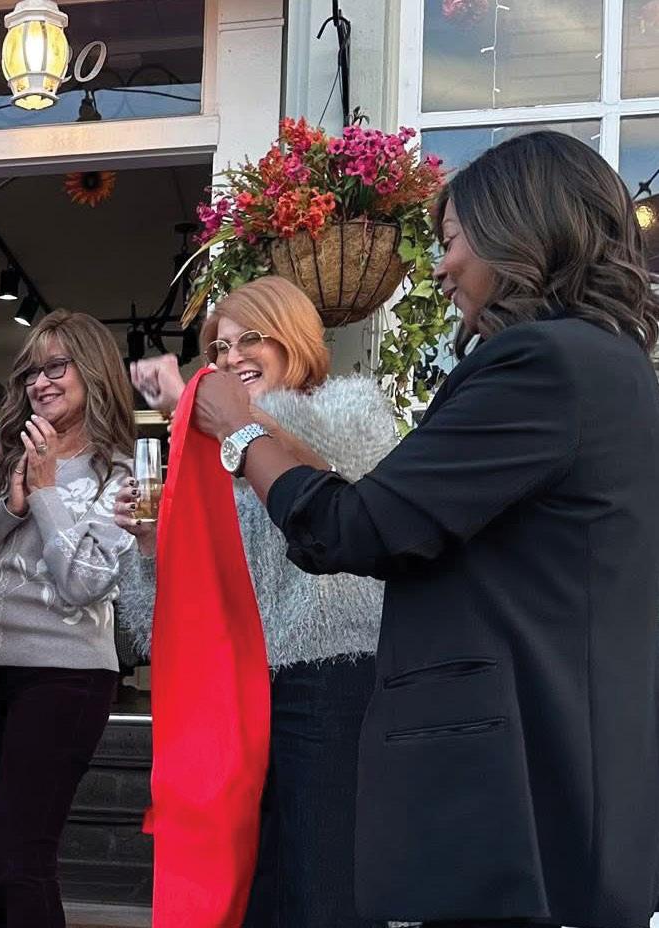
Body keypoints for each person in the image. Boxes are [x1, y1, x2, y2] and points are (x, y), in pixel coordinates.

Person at [187, 131, 659, 928]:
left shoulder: (541, 365)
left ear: (516, 230)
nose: (440, 268)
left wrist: (239, 432)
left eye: (452, 241)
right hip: (569, 774)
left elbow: (356, 528)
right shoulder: (607, 365)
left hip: (527, 791)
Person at [115, 276, 397, 927]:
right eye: (218, 347)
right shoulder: (211, 456)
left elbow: (328, 470)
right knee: (245, 887)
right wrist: (150, 547)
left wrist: (218, 413)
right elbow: (155, 627)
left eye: (251, 340)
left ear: (293, 340)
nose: (231, 357)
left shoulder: (353, 408)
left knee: (324, 884)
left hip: (332, 683)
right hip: (234, 695)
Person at [0, 309, 136, 927]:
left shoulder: (118, 472)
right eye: (31, 371)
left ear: (92, 370)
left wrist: (45, 493)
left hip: (68, 677)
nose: (40, 382)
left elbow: (85, 582)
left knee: (20, 855)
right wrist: (9, 508)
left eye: (56, 366)